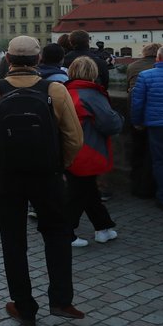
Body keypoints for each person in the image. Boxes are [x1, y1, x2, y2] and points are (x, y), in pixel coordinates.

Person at [0, 36, 85, 326]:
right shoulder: (55, 90)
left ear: (7, 59)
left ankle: (23, 305)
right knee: (57, 234)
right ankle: (61, 299)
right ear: (37, 61)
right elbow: (74, 137)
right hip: (47, 173)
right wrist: (62, 164)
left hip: (7, 173)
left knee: (13, 239)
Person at [64, 57, 123, 247]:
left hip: (66, 148)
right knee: (78, 194)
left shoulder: (62, 91)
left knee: (87, 191)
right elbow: (110, 124)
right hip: (87, 149)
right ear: (93, 73)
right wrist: (120, 118)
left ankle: (103, 228)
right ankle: (65, 232)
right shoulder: (92, 94)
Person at [130, 44, 163, 212]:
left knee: (160, 162)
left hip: (158, 125)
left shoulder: (145, 76)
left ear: (158, 58)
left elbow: (137, 103)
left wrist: (137, 122)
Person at [125, 43, 161, 199]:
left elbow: (129, 89)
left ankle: (137, 187)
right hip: (158, 116)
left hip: (137, 114)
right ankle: (154, 187)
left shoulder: (133, 66)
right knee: (158, 155)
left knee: (138, 151)